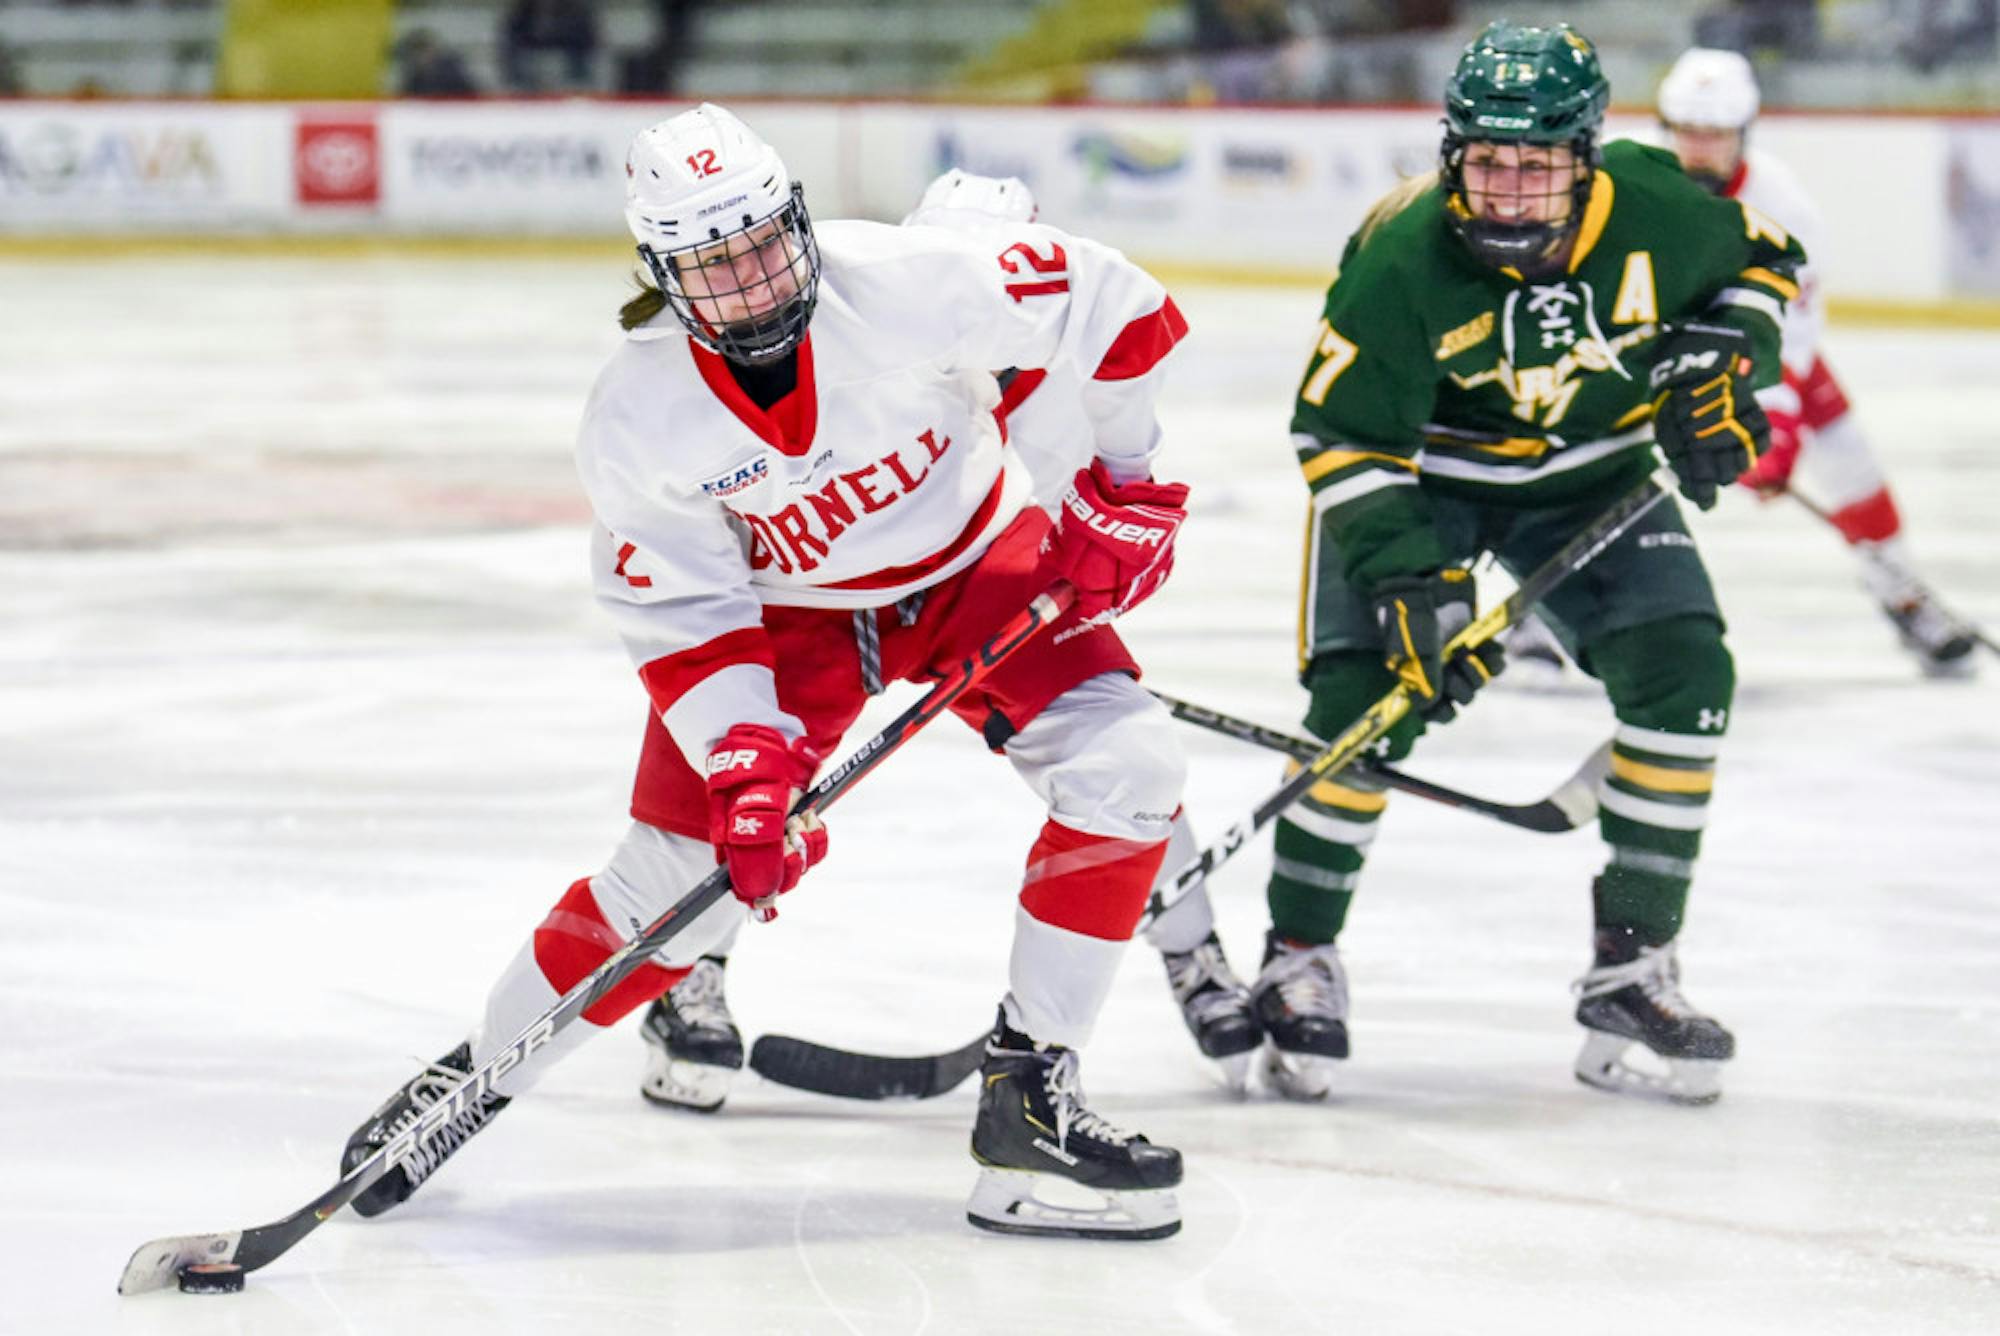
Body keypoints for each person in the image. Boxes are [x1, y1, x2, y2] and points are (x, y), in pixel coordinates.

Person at [338, 104, 1198, 1241]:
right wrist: (744, 757)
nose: (752, 281)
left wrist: (1126, 482)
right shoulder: (638, 417)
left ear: (796, 219)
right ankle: (472, 1082)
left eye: (762, 243)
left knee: (1128, 762)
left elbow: (1118, 304)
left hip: (972, 564)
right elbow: (686, 608)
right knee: (675, 881)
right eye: (713, 263)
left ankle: (1027, 1102)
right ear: (660, 275)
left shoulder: (905, 278)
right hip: (793, 612)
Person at [1175, 22, 1806, 1108]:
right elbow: (1339, 435)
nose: (1509, 193)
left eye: (1537, 167)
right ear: (1451, 150)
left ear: (1586, 156)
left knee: (1684, 678)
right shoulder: (1399, 253)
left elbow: (1762, 263)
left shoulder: (1654, 203)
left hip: (1593, 475)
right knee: (1363, 705)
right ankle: (1296, 955)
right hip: (1427, 477)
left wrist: (1722, 358)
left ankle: (1630, 967)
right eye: (1487, 164)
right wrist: (1413, 579)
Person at [640, 169, 1263, 1106]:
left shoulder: (1058, 369)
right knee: (750, 782)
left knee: (1117, 753)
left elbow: (1087, 531)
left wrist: (1110, 566)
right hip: (817, 601)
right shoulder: (871, 332)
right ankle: (689, 970)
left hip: (977, 591)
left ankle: (1194, 954)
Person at [1658, 47, 1979, 676]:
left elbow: (1791, 335)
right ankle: (1542, 616)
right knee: (1605, 473)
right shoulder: (1632, 182)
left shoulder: (1786, 208)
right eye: (1688, 132)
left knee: (1849, 456)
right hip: (1645, 354)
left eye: (1715, 134)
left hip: (1749, 350)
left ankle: (1905, 595)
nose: (1699, 149)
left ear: (1743, 133)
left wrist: (1773, 423)